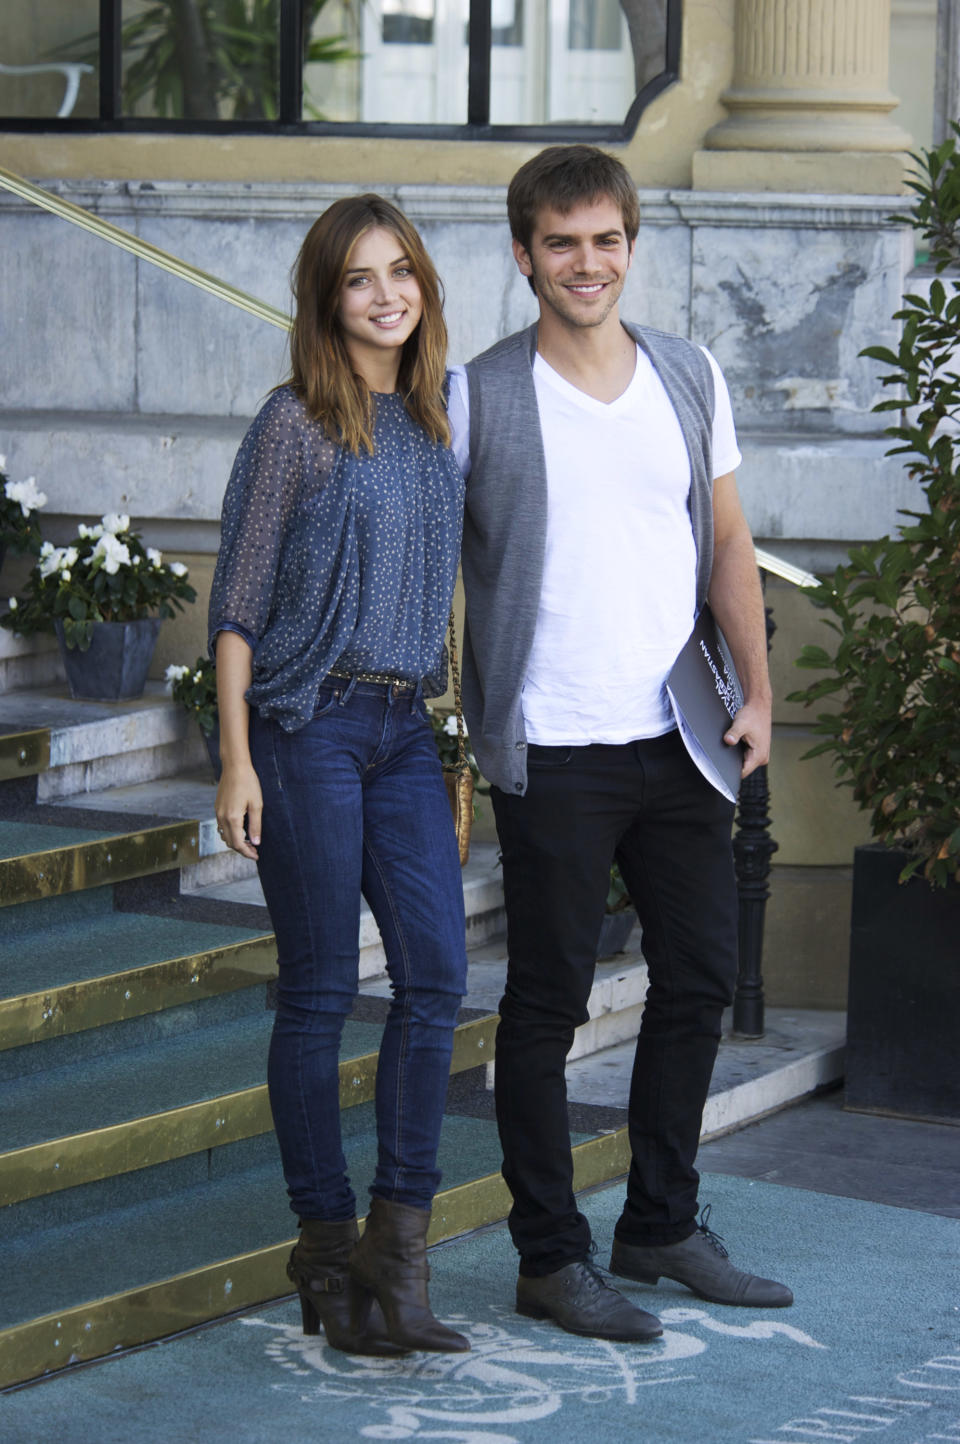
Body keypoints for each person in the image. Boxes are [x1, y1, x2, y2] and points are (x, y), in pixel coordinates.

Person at [447, 145, 792, 1343]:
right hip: (552, 746)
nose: (586, 263)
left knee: (697, 978)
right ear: (525, 254)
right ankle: (551, 1255)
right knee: (545, 1004)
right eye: (561, 243)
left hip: (682, 734)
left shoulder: (688, 375)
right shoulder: (478, 395)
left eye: (605, 240)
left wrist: (759, 692)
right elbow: (426, 553)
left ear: (629, 246)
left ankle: (659, 1222)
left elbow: (730, 545)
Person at [209, 194, 469, 1357]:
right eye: (360, 278)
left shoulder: (433, 419)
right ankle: (323, 1249)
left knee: (435, 981)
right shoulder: (294, 424)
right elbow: (238, 607)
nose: (385, 295)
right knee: (318, 995)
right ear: (328, 300)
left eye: (401, 271)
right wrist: (234, 760)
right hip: (308, 730)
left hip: (406, 730)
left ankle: (397, 1255)